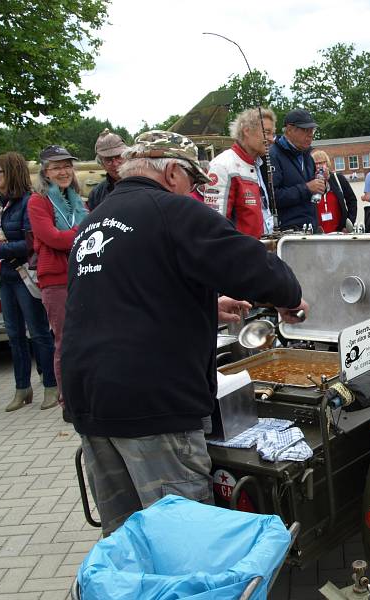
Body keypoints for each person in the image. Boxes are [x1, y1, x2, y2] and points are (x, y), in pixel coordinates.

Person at [60, 131, 307, 535]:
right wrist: (290, 298)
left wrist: (205, 306)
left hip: (89, 399)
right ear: (173, 171)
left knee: (126, 538)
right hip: (151, 404)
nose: (193, 191)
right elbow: (255, 267)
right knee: (183, 539)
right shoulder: (171, 210)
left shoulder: (94, 221)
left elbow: (123, 296)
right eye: (192, 181)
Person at [0, 152, 57, 411]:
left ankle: (51, 385)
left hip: (25, 275)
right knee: (14, 335)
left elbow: (29, 244)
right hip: (5, 276)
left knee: (38, 332)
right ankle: (22, 387)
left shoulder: (29, 202)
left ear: (11, 173)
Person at [27, 145, 89, 413]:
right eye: (56, 167)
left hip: (82, 274)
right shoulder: (37, 201)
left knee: (88, 335)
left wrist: (76, 234)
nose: (64, 171)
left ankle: (89, 390)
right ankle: (67, 399)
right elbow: (53, 238)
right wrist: (82, 233)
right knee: (65, 339)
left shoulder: (77, 199)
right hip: (56, 279)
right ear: (45, 172)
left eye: (67, 166)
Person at [203, 108, 276, 238]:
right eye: (266, 132)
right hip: (241, 249)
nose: (272, 139)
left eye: (273, 134)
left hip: (259, 247)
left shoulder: (257, 163)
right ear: (246, 131)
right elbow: (215, 227)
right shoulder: (223, 166)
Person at [268, 109, 324, 231]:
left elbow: (313, 192)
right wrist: (307, 188)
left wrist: (322, 184)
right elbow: (272, 198)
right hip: (288, 232)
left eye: (312, 130)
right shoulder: (273, 155)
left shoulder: (307, 156)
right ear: (289, 129)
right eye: (305, 130)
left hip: (310, 228)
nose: (310, 134)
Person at [311, 150, 357, 232]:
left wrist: (348, 224)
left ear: (327, 163)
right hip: (317, 233)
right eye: (315, 164)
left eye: (321, 163)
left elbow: (352, 201)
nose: (318, 166)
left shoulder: (338, 179)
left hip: (340, 231)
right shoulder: (310, 182)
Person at [87, 129, 128, 211]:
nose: (115, 164)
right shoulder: (96, 194)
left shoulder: (146, 185)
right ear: (101, 163)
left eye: (118, 157)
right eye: (108, 160)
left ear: (128, 156)